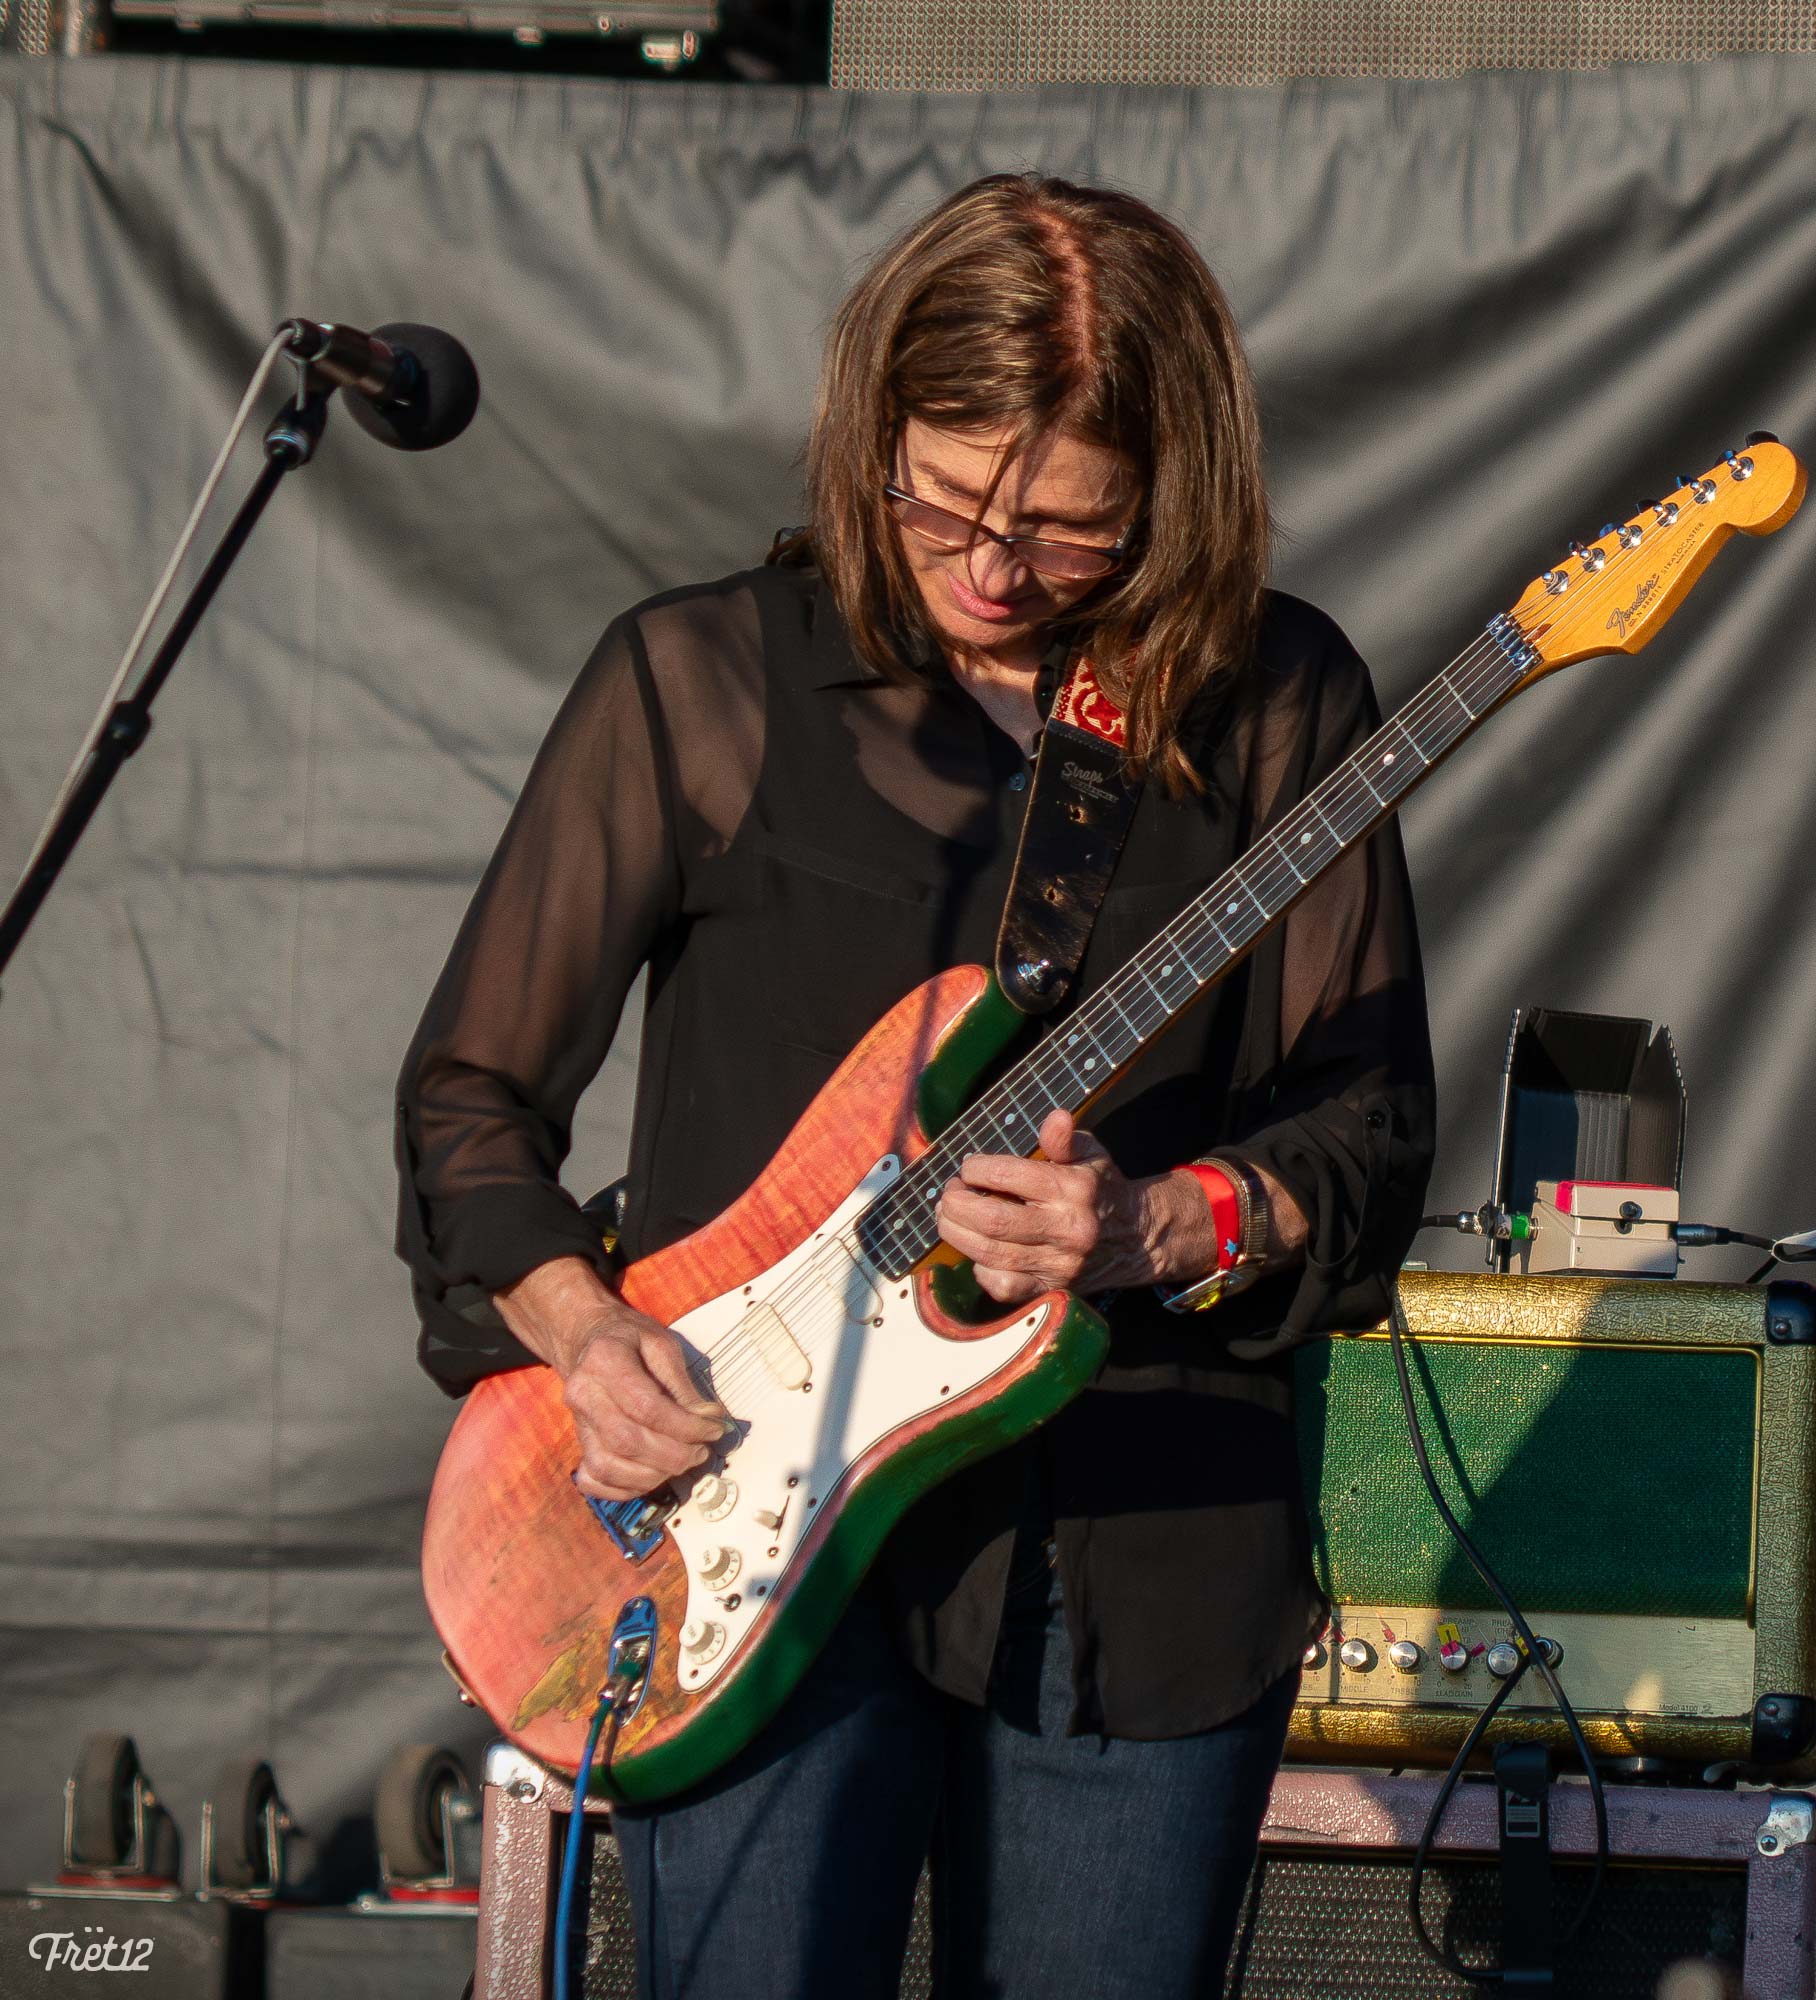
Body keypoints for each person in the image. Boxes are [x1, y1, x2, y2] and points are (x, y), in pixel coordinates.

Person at [395, 173, 1434, 2000]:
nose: (989, 569)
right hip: (744, 1546)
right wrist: (579, 1331)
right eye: (941, 498)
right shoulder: (707, 681)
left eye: (1065, 531)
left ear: (1171, 502)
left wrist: (1159, 1223)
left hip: (1143, 1558)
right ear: (872, 430)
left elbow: (1371, 1128)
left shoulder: (1272, 700)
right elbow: (470, 1096)